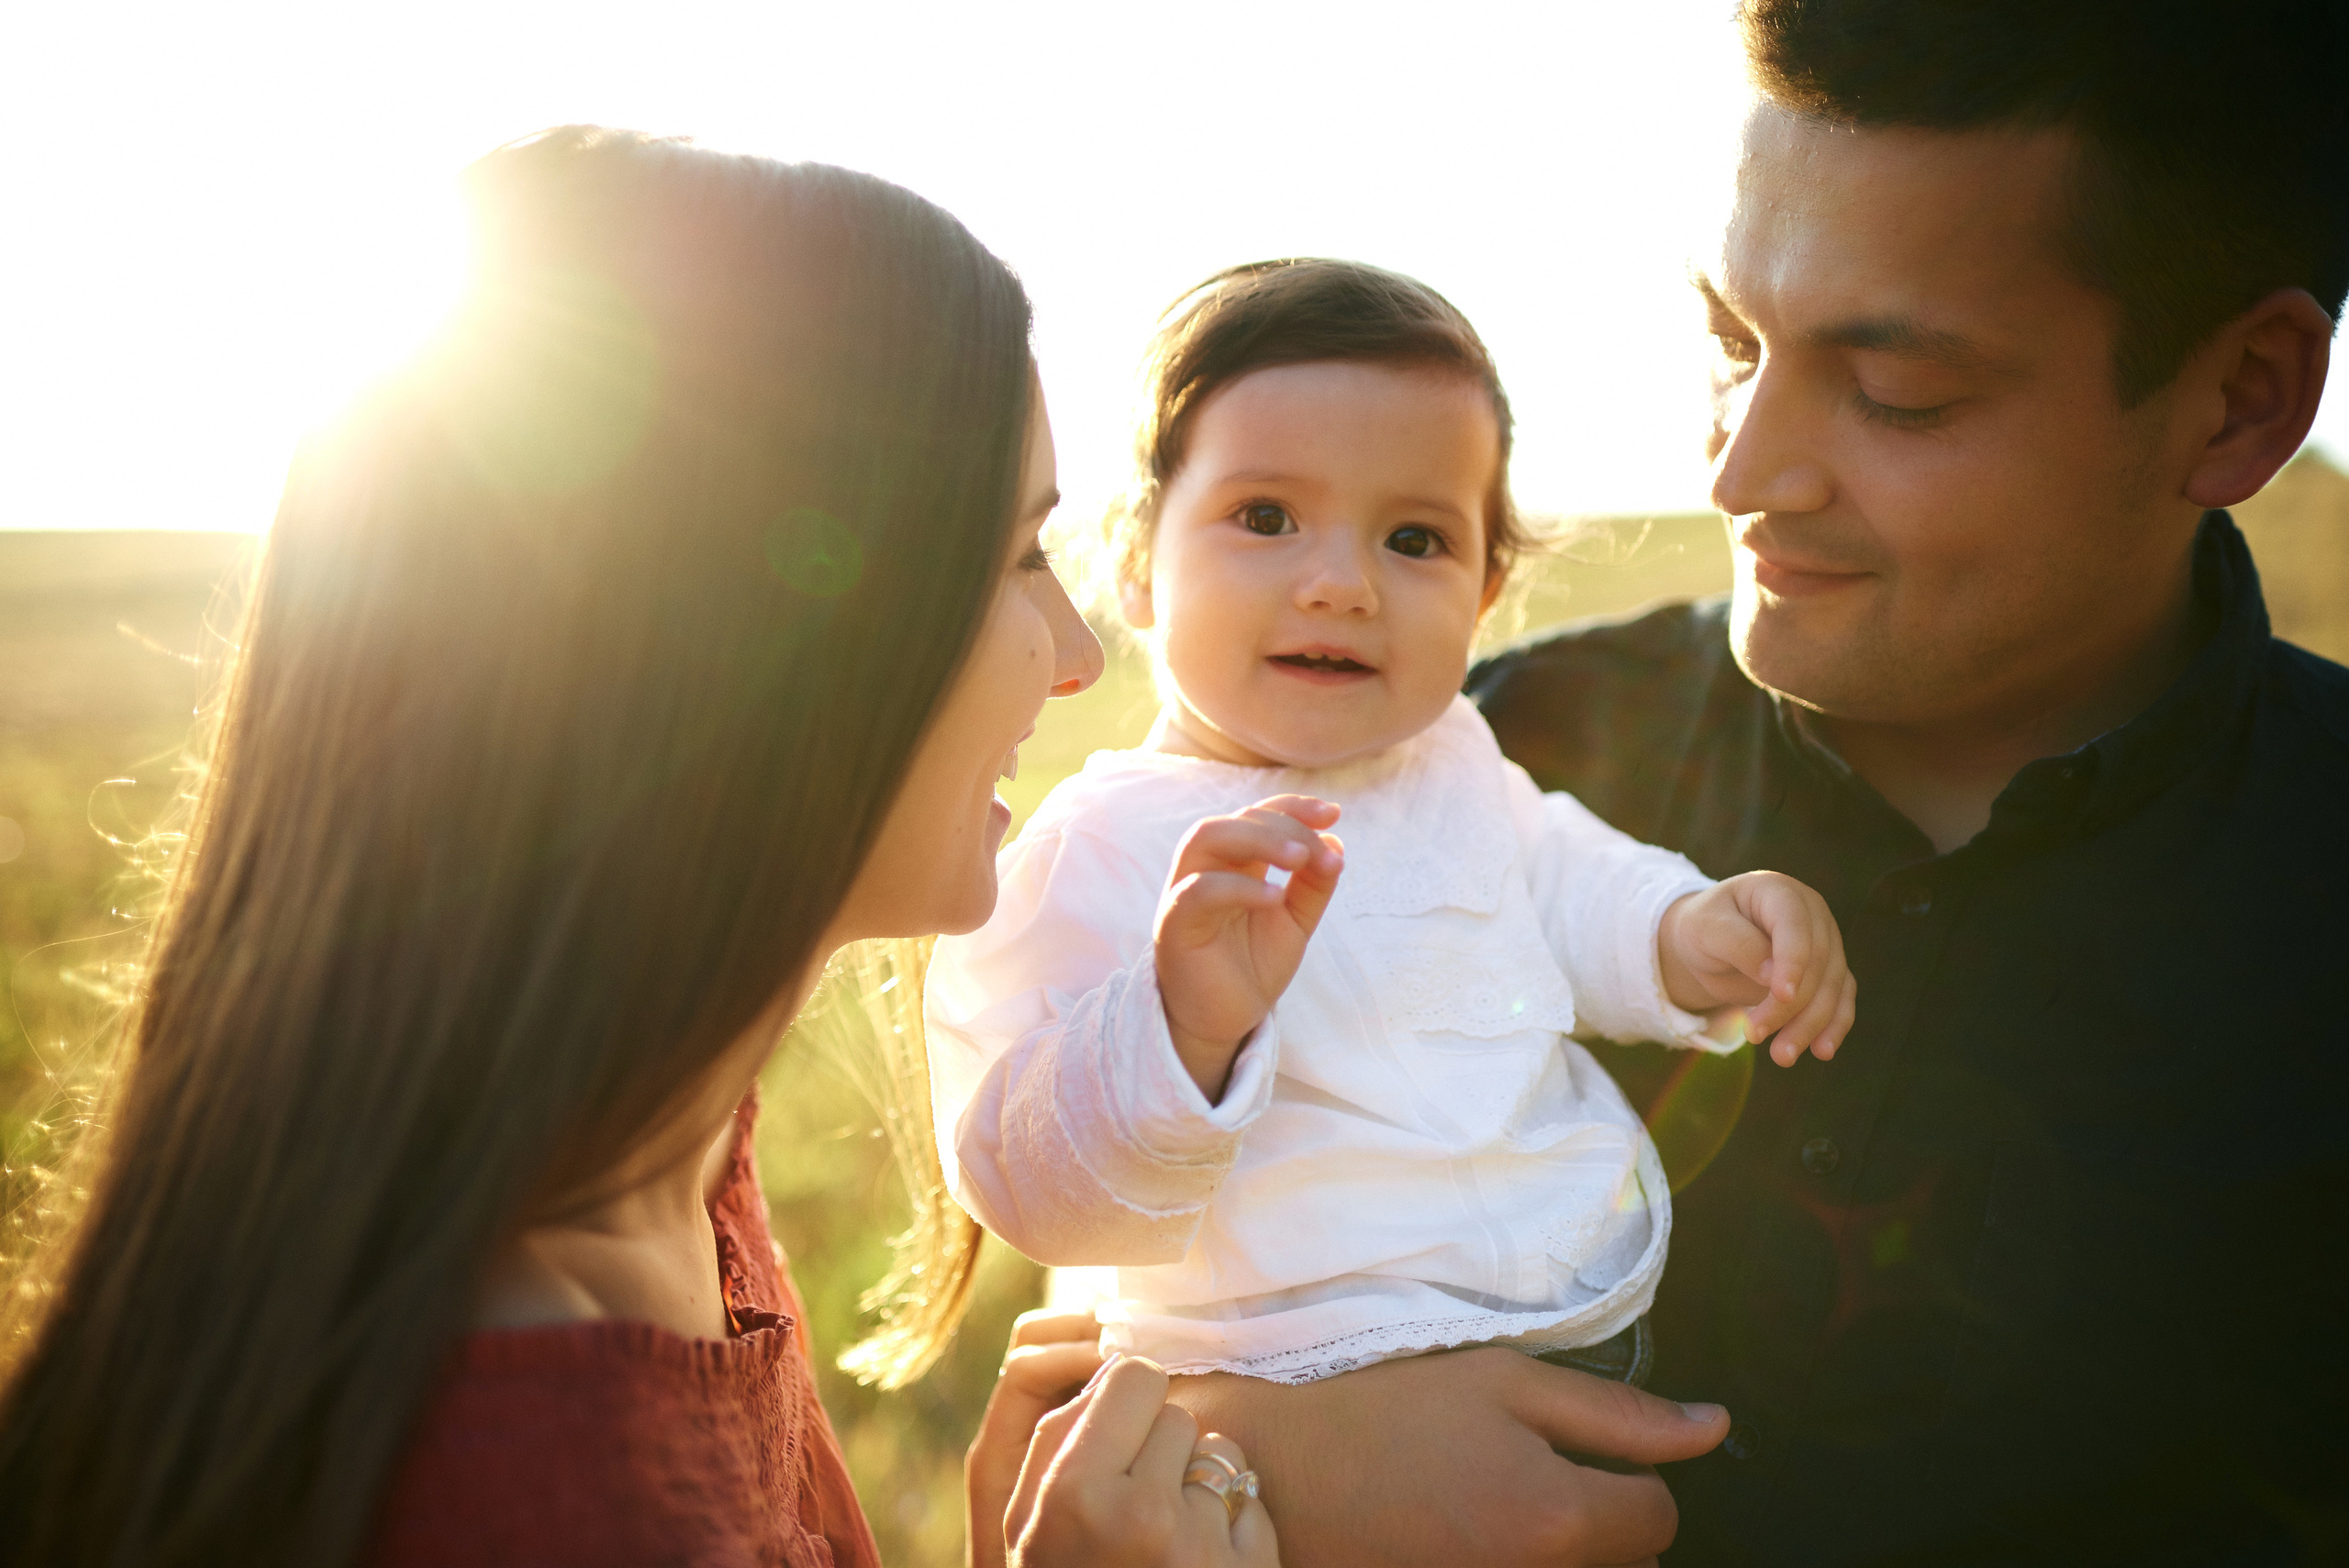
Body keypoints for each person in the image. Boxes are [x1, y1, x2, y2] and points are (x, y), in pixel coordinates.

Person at [1168, 1, 2349, 1563]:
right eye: (1731, 340)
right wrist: (1247, 1452)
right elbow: (1077, 1373)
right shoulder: (1470, 761)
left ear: (2244, 397)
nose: (1740, 472)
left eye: (1898, 395)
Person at [0, 127, 1274, 1568]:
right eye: (1015, 558)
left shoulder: (663, 1170)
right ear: (761, 645)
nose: (1072, 654)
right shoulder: (530, 1476)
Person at [924, 259, 1854, 1395]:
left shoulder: (1450, 757)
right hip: (1287, 1377)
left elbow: (1562, 878)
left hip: (1575, 1313)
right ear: (1133, 556)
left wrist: (1684, 928)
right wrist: (1178, 1024)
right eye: (1265, 517)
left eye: (1413, 540)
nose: (1341, 583)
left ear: (1486, 590)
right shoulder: (1101, 848)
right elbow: (1020, 1178)